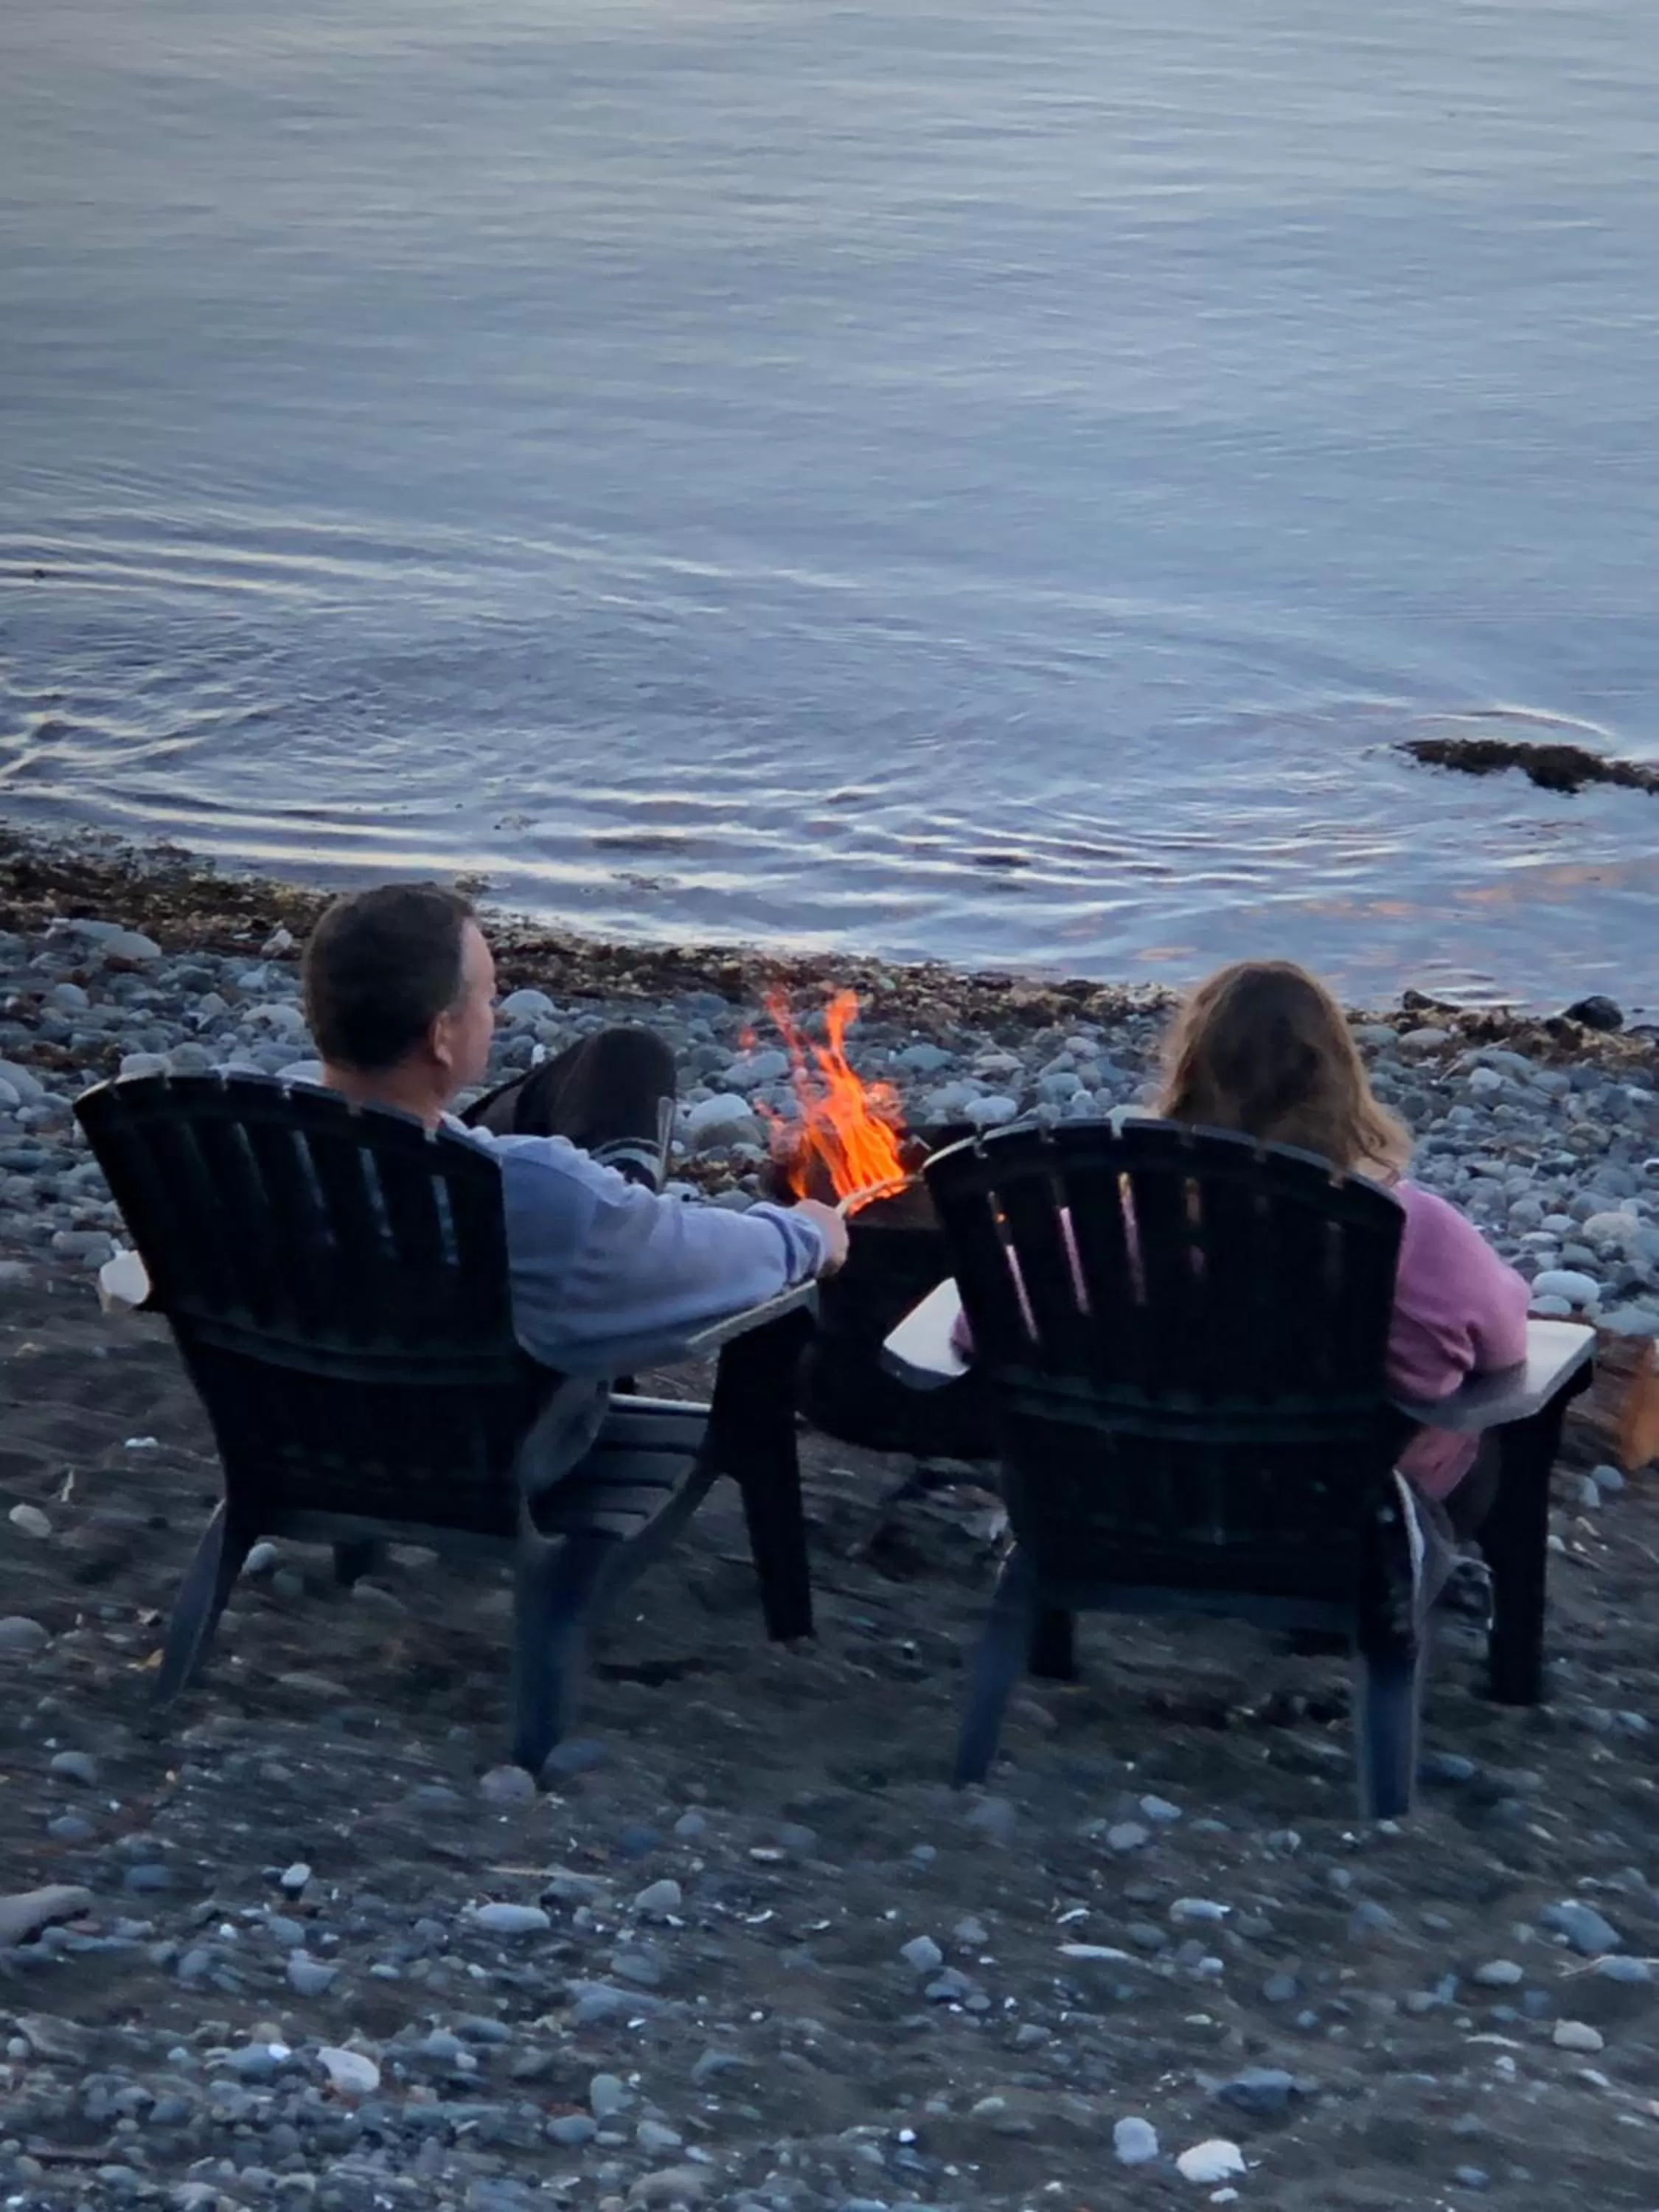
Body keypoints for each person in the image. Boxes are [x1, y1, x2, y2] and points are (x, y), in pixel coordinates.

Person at [301, 884, 847, 1385]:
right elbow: (694, 1265)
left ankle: (622, 1216)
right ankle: (622, 1218)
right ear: (441, 1036)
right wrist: (807, 1235)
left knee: (624, 1058)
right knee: (612, 1225)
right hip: (485, 1458)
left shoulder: (237, 1150)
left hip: (284, 1430)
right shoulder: (519, 1186)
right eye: (488, 1000)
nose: (497, 1019)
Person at [1154, 959, 1529, 1539]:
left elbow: (978, 1327)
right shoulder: (1411, 1227)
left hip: (1171, 1493)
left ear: (1188, 1073)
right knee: (1499, 1431)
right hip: (1360, 1509)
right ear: (1339, 1076)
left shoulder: (1128, 1217)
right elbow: (1504, 1353)